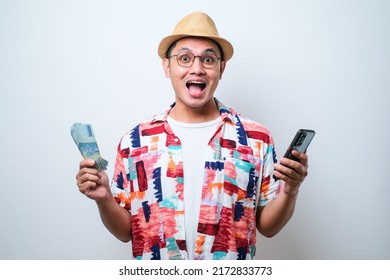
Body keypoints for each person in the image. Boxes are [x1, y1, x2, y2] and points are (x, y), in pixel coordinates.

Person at [75, 11, 309, 260]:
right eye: (184, 58)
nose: (197, 69)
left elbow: (268, 227)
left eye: (208, 60)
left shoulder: (256, 138)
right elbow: (126, 232)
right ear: (167, 66)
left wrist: (290, 191)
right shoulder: (135, 141)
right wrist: (104, 199)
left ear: (222, 68)